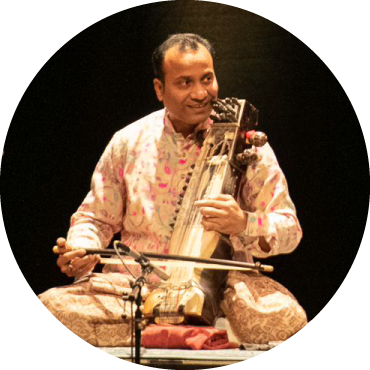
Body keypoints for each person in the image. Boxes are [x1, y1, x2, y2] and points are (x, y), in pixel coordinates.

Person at [38, 33, 307, 347]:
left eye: (207, 79)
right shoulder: (128, 142)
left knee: (286, 318)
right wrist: (82, 249)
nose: (200, 93)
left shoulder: (246, 142)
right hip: (135, 287)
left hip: (221, 290)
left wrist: (244, 224)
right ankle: (190, 333)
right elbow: (94, 219)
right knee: (53, 307)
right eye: (184, 83)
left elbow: (289, 228)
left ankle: (167, 331)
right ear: (159, 89)